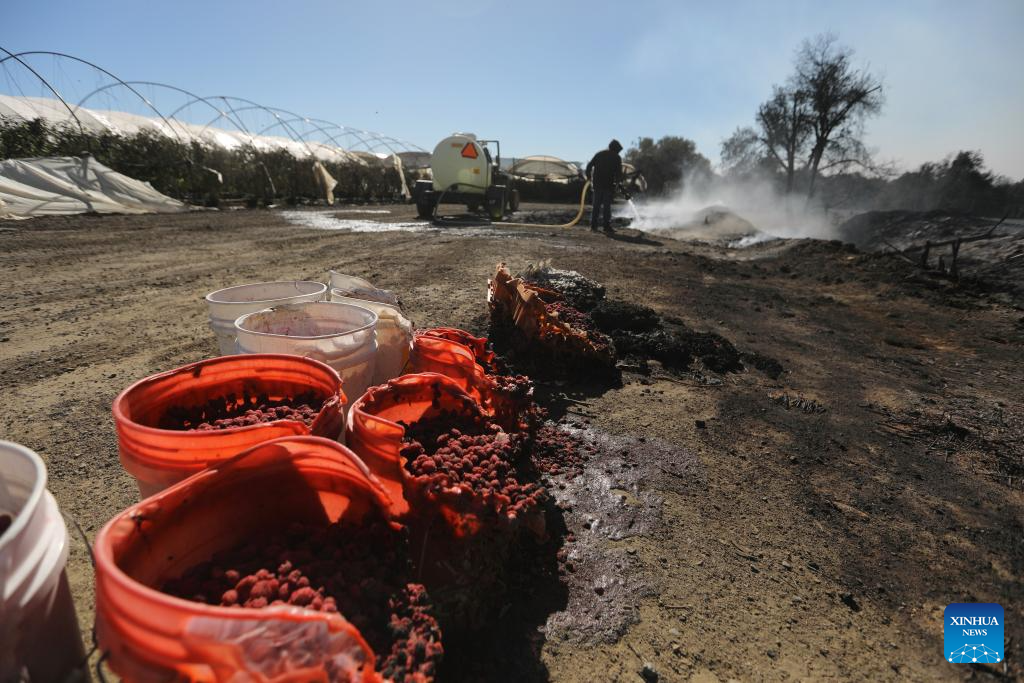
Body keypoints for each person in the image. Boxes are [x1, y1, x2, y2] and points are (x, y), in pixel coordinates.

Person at [585, 139, 623, 233]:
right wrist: (618, 184)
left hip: (597, 184)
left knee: (596, 206)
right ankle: (606, 227)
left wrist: (589, 177)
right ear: (616, 149)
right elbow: (618, 173)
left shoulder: (599, 154)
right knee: (607, 207)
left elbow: (589, 166)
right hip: (608, 185)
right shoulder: (617, 157)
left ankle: (593, 227)